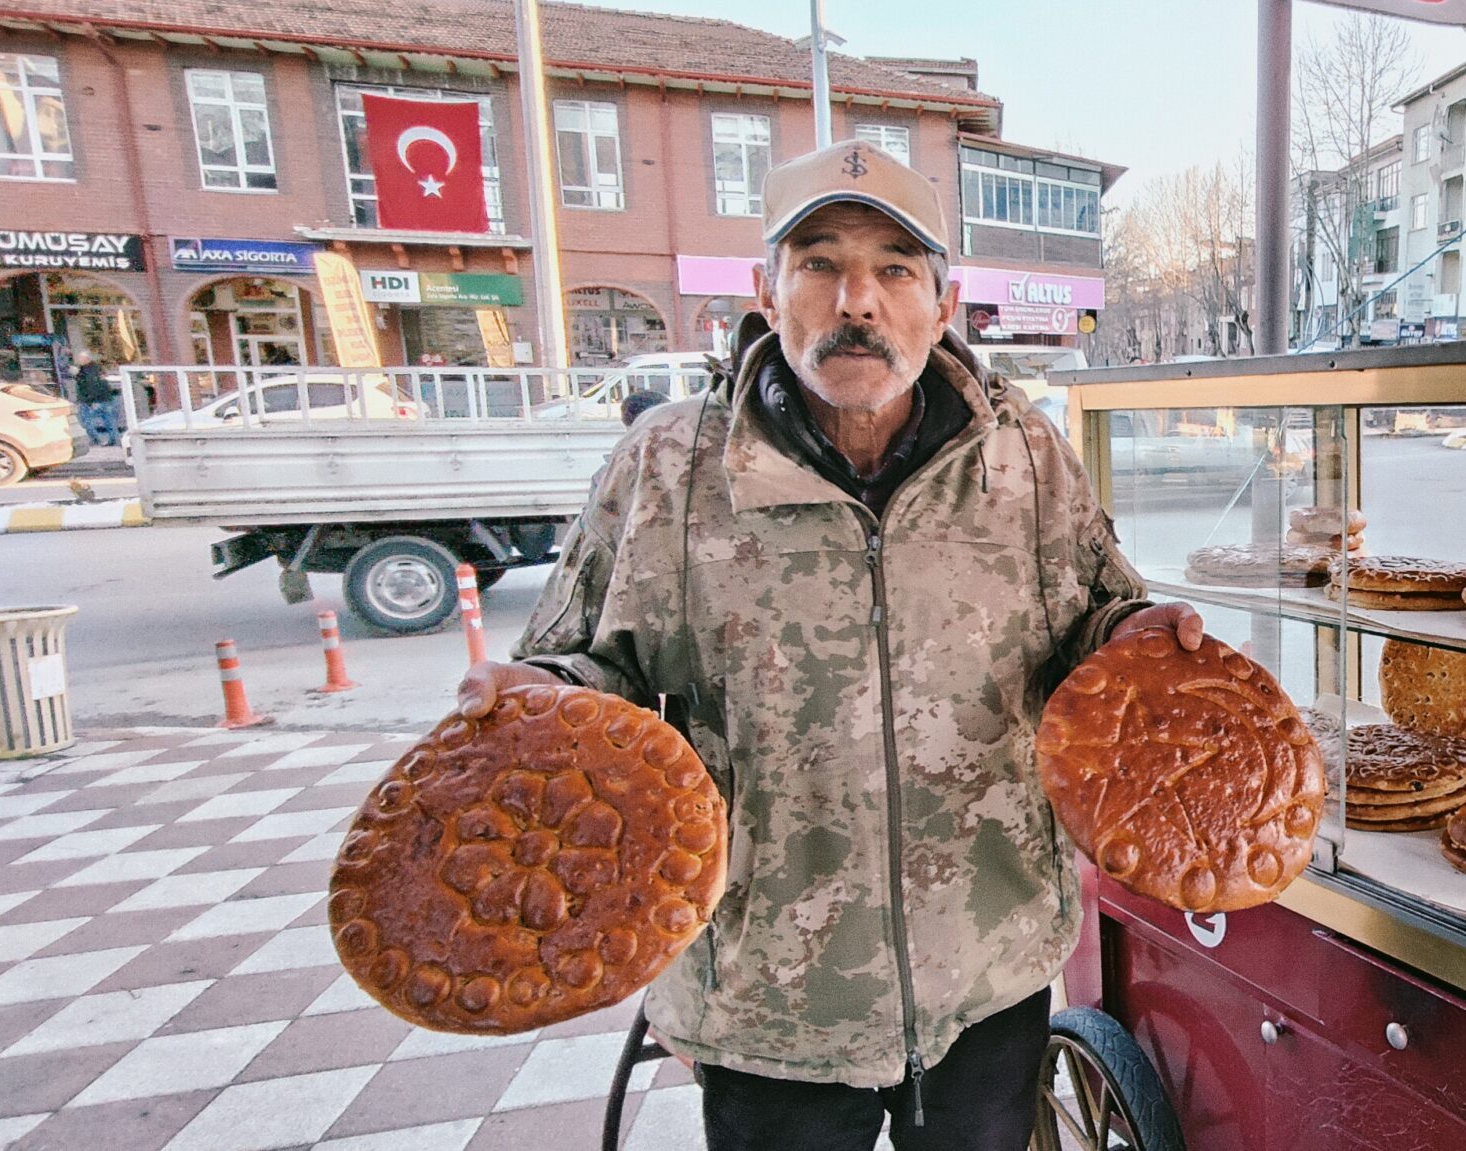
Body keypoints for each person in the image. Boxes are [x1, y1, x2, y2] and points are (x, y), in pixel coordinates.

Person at [456, 138, 1203, 1151]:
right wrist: (538, 697)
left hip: (983, 965)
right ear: (768, 291)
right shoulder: (669, 467)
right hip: (767, 992)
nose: (858, 299)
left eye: (895, 268)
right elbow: (592, 666)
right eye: (820, 263)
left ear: (942, 305)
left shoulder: (1021, 452)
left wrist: (1137, 634)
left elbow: (1090, 621)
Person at [71, 352, 122, 448]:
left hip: (92, 400)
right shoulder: (97, 368)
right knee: (109, 420)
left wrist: (91, 400)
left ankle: (97, 440)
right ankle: (114, 440)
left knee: (86, 421)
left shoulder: (87, 370)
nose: (79, 360)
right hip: (105, 398)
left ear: (86, 359)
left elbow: (91, 386)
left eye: (80, 358)